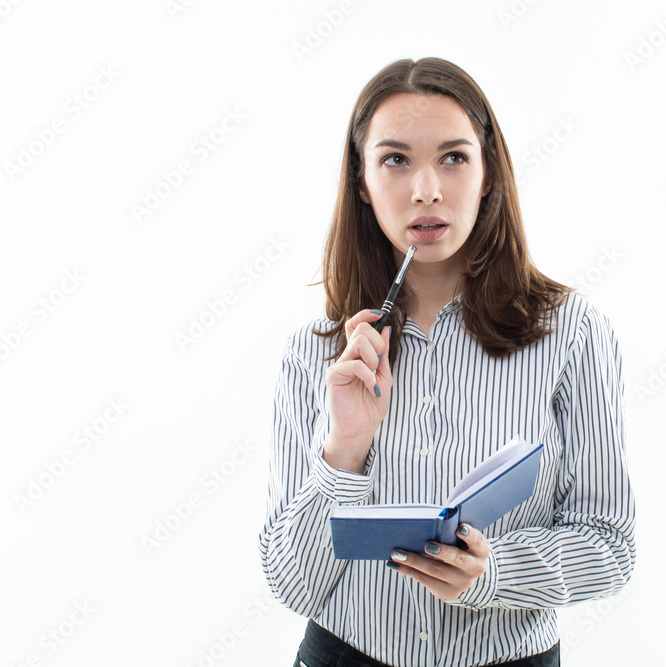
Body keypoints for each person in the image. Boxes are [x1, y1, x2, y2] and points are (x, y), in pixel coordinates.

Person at [259, 57, 635, 667]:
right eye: (395, 160)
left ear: (488, 175)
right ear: (362, 183)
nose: (426, 189)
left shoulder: (574, 332)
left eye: (454, 158)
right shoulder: (316, 351)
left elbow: (610, 546)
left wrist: (491, 574)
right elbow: (292, 584)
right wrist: (346, 448)